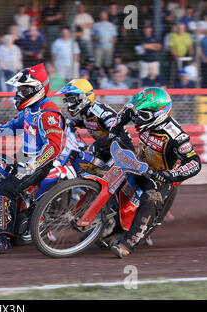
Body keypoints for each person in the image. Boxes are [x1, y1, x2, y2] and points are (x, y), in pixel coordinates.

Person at [108, 87, 201, 258]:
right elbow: (126, 111)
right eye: (138, 114)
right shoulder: (141, 111)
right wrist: (114, 131)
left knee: (150, 198)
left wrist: (169, 175)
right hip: (138, 164)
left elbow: (195, 163)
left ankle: (128, 244)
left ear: (160, 114)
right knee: (109, 172)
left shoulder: (177, 136)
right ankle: (105, 223)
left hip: (159, 178)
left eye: (143, 116)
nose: (137, 120)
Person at [0, 63, 65, 254]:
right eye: (19, 89)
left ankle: (3, 238)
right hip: (23, 159)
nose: (19, 93)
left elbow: (54, 147)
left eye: (24, 89)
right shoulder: (30, 109)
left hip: (40, 164)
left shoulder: (48, 113)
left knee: (7, 189)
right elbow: (13, 126)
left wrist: (34, 163)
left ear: (38, 89)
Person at [57, 78, 134, 163]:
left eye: (72, 100)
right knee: (81, 160)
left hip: (124, 154)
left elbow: (116, 133)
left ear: (84, 97)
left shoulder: (101, 112)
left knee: (98, 171)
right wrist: (75, 122)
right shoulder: (86, 111)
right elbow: (90, 123)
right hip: (107, 151)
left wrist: (96, 144)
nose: (70, 104)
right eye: (68, 101)